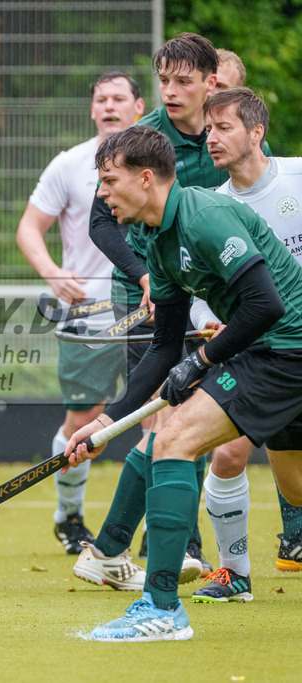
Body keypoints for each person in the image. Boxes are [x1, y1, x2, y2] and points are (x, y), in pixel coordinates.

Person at [66, 124, 302, 642]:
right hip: (267, 351)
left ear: (145, 178)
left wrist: (200, 362)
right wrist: (105, 422)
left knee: (172, 440)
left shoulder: (205, 217)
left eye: (109, 181)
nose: (102, 195)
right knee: (296, 488)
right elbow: (164, 345)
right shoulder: (153, 239)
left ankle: (162, 607)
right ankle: (161, 604)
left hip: (285, 350)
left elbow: (267, 304)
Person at [73, 33, 227, 591]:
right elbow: (101, 223)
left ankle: (128, 546)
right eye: (164, 81)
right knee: (167, 411)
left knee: (200, 409)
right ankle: (174, 545)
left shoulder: (224, 135)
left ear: (212, 83)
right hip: (145, 287)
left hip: (209, 286)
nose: (171, 92)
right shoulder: (144, 139)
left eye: (183, 81)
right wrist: (145, 276)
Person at [16, 71, 144, 553]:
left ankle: (170, 531)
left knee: (160, 416)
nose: (109, 106)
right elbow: (29, 228)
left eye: (119, 98)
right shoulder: (69, 165)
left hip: (151, 308)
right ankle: (69, 516)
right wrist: (51, 272)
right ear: (92, 109)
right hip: (89, 311)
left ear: (138, 105)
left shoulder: (156, 160)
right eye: (101, 99)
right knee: (85, 422)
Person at [188, 88, 302, 603]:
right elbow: (207, 293)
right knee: (240, 461)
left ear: (256, 133)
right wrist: (211, 322)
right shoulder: (216, 207)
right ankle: (234, 574)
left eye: (224, 127)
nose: (211, 138)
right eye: (208, 129)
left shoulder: (298, 178)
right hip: (267, 357)